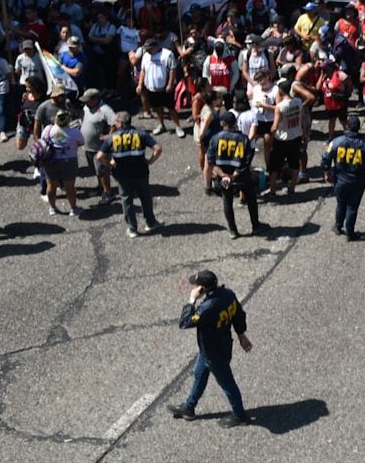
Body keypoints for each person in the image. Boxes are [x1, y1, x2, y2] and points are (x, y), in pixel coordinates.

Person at [168, 270, 253, 427]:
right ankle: (189, 407)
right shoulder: (228, 294)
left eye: (196, 285)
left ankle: (240, 415)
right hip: (217, 347)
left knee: (228, 384)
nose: (193, 286)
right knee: (199, 374)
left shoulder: (208, 307)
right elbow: (239, 314)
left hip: (215, 354)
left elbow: (185, 323)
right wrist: (241, 334)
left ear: (202, 289)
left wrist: (191, 301)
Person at [99, 111, 163, 238]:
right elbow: (158, 148)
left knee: (127, 200)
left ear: (121, 124)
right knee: (145, 197)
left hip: (122, 175)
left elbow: (99, 156)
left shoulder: (112, 137)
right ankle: (151, 223)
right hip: (140, 172)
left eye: (116, 122)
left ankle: (132, 228)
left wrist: (110, 164)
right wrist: (150, 161)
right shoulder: (141, 134)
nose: (115, 124)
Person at [206, 107, 262, 237]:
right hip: (241, 177)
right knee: (251, 198)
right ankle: (256, 226)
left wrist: (223, 175)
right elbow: (246, 161)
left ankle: (233, 230)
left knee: (227, 200)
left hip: (224, 178)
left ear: (222, 123)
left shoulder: (215, 139)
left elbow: (211, 160)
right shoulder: (243, 139)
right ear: (235, 122)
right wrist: (234, 175)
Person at [323, 115, 365, 241]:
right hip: (358, 181)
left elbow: (326, 157)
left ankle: (338, 226)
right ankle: (350, 233)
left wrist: (327, 174)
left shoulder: (337, 142)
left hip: (340, 179)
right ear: (358, 128)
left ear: (347, 126)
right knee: (352, 207)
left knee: (341, 203)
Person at [134, 37, 185, 137]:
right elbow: (143, 71)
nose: (147, 50)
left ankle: (178, 126)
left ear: (156, 47)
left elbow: (172, 69)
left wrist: (170, 84)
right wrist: (140, 84)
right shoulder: (146, 55)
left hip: (165, 87)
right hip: (151, 88)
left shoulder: (167, 54)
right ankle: (161, 124)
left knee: (171, 108)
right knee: (157, 107)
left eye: (149, 48)